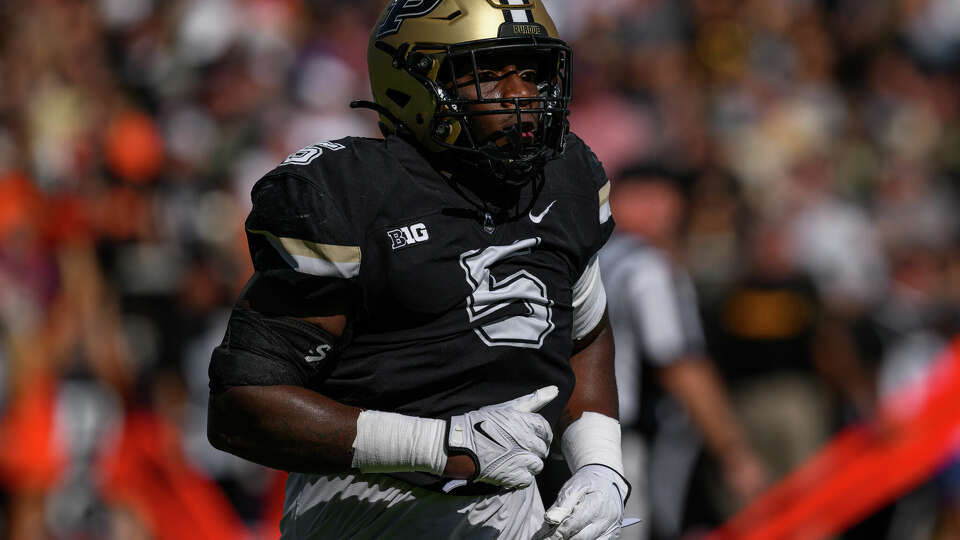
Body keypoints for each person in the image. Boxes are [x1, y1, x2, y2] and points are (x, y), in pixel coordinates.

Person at [206, 1, 628, 539]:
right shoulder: (355, 195)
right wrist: (438, 445)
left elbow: (585, 330)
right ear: (415, 84)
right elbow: (241, 407)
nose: (521, 94)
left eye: (531, 72)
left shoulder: (565, 180)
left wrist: (599, 465)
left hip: (514, 514)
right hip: (364, 512)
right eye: (489, 74)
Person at [599, 164, 767, 540]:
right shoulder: (646, 267)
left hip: (578, 434)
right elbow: (680, 365)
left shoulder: (592, 256)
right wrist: (733, 452)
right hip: (630, 441)